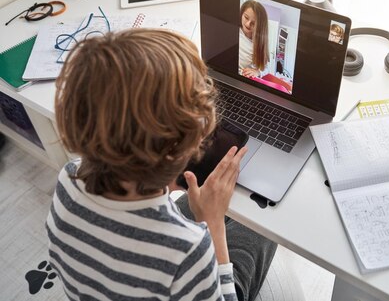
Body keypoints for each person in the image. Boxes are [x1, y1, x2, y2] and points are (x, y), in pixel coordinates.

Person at [46, 29, 276, 300]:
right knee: (263, 225)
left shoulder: (69, 178)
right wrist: (211, 223)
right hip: (194, 278)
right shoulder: (187, 252)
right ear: (181, 150)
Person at [239, 0, 270, 78]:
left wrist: (258, 72)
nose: (247, 24)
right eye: (246, 17)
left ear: (260, 26)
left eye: (253, 23)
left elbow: (266, 68)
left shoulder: (258, 45)